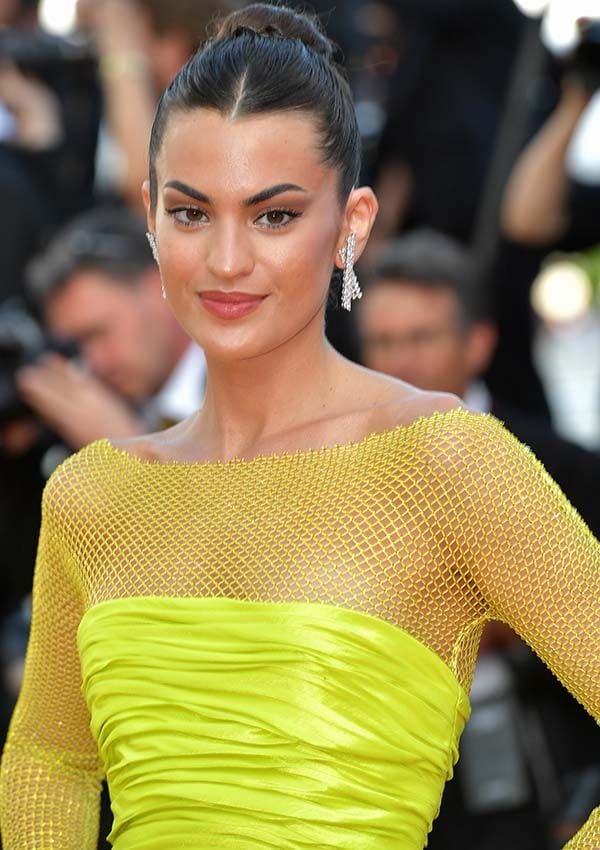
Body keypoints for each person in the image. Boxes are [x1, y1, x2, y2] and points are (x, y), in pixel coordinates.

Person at [0, 6, 597, 850]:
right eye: (192, 212)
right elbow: (50, 759)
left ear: (350, 226)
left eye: (274, 215)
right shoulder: (93, 495)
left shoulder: (442, 461)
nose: (228, 260)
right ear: (150, 216)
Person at [357, 229, 600, 538]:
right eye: (382, 342)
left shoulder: (566, 473)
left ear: (477, 344)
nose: (400, 361)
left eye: (421, 338)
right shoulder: (342, 471)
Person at [10, 205, 206, 453]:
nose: (93, 363)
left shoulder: (252, 382)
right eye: (75, 348)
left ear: (160, 288)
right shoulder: (127, 406)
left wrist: (125, 449)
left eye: (97, 334)